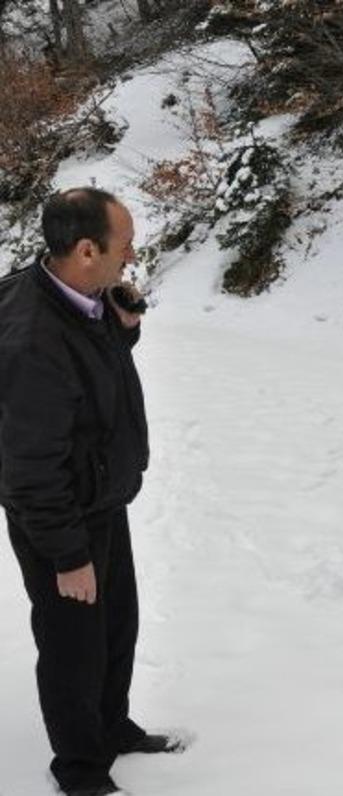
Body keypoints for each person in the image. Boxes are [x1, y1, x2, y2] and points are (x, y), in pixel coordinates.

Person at [0, 188, 183, 796]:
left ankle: (110, 725)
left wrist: (120, 327)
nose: (132, 255)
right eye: (124, 245)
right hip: (58, 514)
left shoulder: (76, 297)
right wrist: (67, 554)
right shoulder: (33, 341)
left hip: (98, 495)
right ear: (85, 250)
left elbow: (89, 382)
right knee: (72, 643)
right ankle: (80, 767)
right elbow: (26, 467)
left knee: (115, 625)